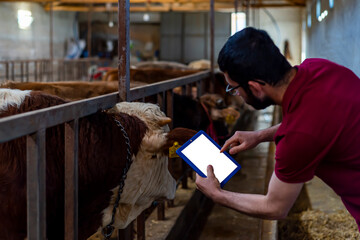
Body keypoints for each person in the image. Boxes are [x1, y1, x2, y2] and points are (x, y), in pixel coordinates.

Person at [195, 27, 360, 230]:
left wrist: (217, 194)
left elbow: (275, 207)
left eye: (234, 88)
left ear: (254, 87)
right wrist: (259, 136)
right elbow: (316, 122)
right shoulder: (319, 67)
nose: (235, 95)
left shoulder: (296, 139)